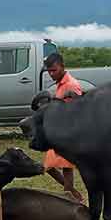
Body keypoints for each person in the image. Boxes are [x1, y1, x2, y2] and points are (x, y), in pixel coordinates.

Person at [42, 52, 84, 202]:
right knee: (49, 166)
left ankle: (69, 199)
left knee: (66, 167)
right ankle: (73, 194)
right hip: (58, 130)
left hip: (68, 132)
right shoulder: (61, 84)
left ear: (62, 67)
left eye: (54, 70)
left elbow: (78, 108)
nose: (52, 74)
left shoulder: (71, 85)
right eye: (49, 71)